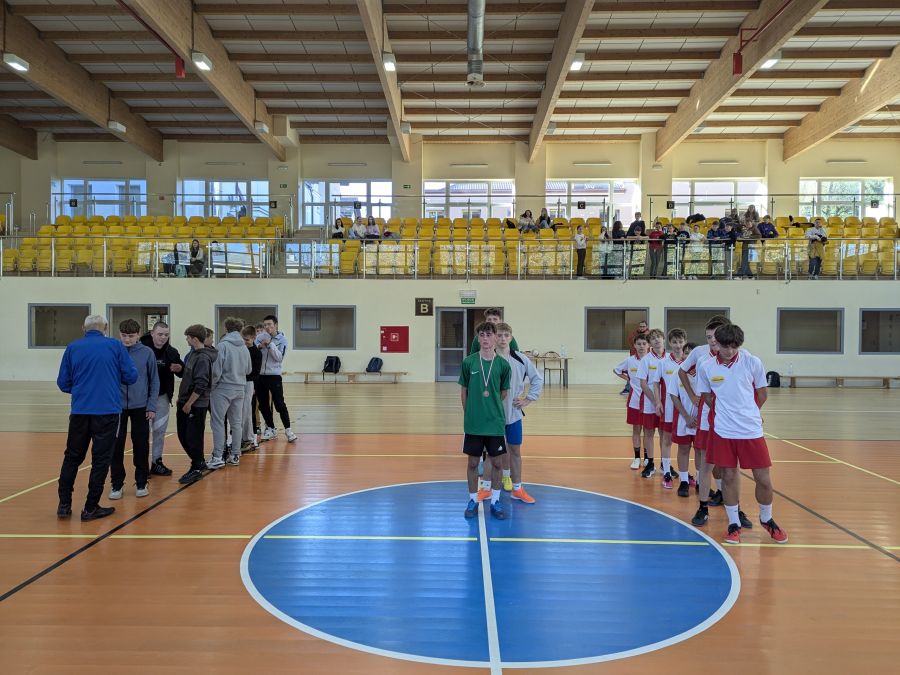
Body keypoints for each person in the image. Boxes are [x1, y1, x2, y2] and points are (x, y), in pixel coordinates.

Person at [697, 324, 788, 545]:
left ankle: (766, 519)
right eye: (725, 346)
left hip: (751, 431)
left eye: (734, 347)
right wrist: (725, 414)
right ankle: (734, 524)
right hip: (723, 431)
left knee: (763, 479)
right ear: (716, 344)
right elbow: (707, 396)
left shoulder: (752, 362)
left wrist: (749, 414)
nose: (730, 351)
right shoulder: (706, 366)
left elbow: (762, 394)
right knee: (728, 476)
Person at [57, 315, 138, 521]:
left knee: (72, 457)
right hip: (107, 412)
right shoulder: (115, 346)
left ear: (83, 328)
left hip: (80, 412)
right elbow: (131, 376)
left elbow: (63, 383)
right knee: (101, 460)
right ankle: (90, 507)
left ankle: (64, 505)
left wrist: (82, 390)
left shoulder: (73, 347)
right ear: (106, 327)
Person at [679, 315, 753, 532]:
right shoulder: (701, 355)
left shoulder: (744, 357)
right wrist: (693, 395)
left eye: (716, 336)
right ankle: (702, 507)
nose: (712, 340)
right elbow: (682, 371)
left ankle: (736, 508)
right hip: (707, 416)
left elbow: (752, 388)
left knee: (732, 467)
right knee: (706, 463)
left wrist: (752, 412)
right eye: (709, 336)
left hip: (734, 420)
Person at [459, 321, 512, 520]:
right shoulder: (469, 362)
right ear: (478, 338)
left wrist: (491, 407)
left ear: (495, 337)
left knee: (497, 463)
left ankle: (496, 501)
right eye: (482, 335)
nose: (485, 338)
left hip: (495, 423)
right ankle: (473, 500)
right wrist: (470, 413)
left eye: (489, 335)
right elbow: (464, 391)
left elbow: (503, 392)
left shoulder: (503, 365)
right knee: (473, 462)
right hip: (474, 423)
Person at [109, 319, 159, 501]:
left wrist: (151, 405)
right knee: (116, 445)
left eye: (131, 336)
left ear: (138, 335)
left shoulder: (147, 353)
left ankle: (141, 482)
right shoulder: (114, 351)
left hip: (141, 407)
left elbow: (154, 380)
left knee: (141, 445)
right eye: (124, 335)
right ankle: (116, 484)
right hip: (117, 407)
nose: (127, 339)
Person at [495, 323, 543, 503]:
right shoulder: (488, 358)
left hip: (514, 413)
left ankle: (517, 489)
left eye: (506, 335)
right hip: (493, 415)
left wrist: (528, 399)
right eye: (499, 335)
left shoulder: (521, 359)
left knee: (515, 450)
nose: (502, 339)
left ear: (511, 337)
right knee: (494, 453)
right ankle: (490, 487)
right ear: (494, 337)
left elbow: (537, 379)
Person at [140, 321, 183, 477]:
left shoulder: (171, 352)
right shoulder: (141, 350)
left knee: (159, 431)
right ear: (152, 333)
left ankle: (156, 462)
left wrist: (180, 368)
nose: (163, 337)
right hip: (142, 399)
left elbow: (182, 370)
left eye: (166, 335)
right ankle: (142, 466)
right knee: (142, 433)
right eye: (160, 334)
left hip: (162, 397)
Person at [176, 325, 217, 485]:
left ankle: (196, 466)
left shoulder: (203, 358)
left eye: (188, 337)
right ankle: (198, 461)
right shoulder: (193, 354)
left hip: (195, 405)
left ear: (194, 339)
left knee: (193, 437)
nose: (186, 340)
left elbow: (201, 384)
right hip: (185, 401)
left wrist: (189, 403)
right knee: (183, 435)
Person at [209, 317, 252, 469]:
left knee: (218, 422)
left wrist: (212, 385)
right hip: (240, 388)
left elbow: (216, 371)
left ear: (226, 328)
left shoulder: (222, 346)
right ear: (240, 330)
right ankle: (235, 455)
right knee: (236, 423)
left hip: (223, 388)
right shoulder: (244, 347)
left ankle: (218, 456)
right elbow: (249, 370)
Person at [255, 314, 296, 442]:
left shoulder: (282, 339)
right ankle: (271, 428)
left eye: (270, 324)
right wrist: (259, 346)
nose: (267, 327)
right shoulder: (259, 338)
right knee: (263, 405)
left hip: (274, 376)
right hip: (260, 376)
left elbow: (279, 358)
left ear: (275, 325)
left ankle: (288, 430)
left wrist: (270, 345)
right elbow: (253, 351)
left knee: (279, 403)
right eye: (265, 325)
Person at [614, 333, 650, 471]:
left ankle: (647, 458)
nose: (641, 346)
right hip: (634, 400)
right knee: (636, 429)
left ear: (648, 345)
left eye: (644, 344)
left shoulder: (652, 360)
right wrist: (628, 379)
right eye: (639, 344)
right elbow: (616, 370)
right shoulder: (629, 361)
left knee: (648, 431)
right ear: (634, 345)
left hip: (649, 401)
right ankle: (636, 458)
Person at [657, 328, 688, 489]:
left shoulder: (690, 362)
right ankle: (667, 471)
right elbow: (655, 384)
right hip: (669, 408)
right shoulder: (663, 363)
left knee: (686, 444)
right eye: (674, 342)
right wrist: (658, 402)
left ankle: (685, 475)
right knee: (667, 440)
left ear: (685, 342)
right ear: (669, 343)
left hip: (687, 410)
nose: (678, 345)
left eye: (680, 342)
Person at [636, 328, 666, 478]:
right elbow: (643, 384)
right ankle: (650, 463)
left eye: (658, 337)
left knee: (664, 434)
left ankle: (665, 464)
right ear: (650, 343)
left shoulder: (670, 358)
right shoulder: (646, 360)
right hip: (650, 403)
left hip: (667, 403)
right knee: (649, 433)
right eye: (653, 338)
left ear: (663, 339)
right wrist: (656, 402)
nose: (656, 340)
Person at [670, 341, 698, 497]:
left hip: (701, 420)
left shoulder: (704, 371)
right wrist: (687, 417)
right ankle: (684, 481)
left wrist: (699, 417)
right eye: (686, 353)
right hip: (683, 419)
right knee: (683, 449)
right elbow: (674, 396)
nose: (688, 356)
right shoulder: (677, 373)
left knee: (700, 451)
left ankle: (700, 481)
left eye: (692, 353)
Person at [240, 325, 262, 453]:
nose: (245, 342)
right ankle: (242, 438)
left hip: (249, 384)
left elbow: (256, 373)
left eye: (247, 340)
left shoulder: (256, 353)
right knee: (240, 412)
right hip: (239, 383)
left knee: (248, 412)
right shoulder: (241, 350)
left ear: (254, 338)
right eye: (243, 339)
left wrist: (254, 387)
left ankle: (250, 439)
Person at [738, 210, 761, 278]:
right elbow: (742, 238)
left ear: (751, 223)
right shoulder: (744, 229)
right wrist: (740, 238)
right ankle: (751, 276)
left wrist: (750, 237)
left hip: (750, 247)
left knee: (744, 262)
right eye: (746, 223)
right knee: (746, 262)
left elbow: (759, 236)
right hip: (744, 247)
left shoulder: (754, 228)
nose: (748, 225)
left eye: (749, 223)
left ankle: (739, 275)